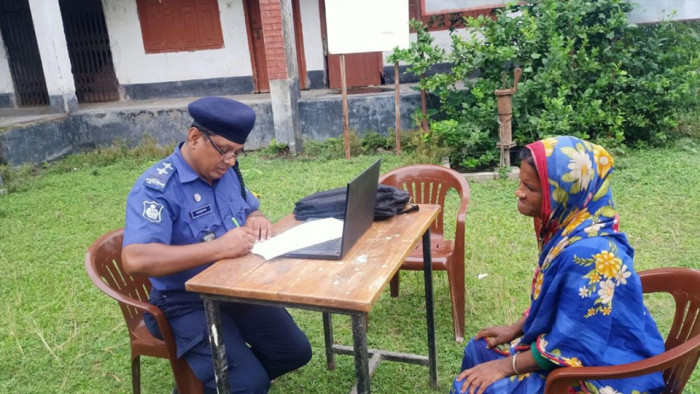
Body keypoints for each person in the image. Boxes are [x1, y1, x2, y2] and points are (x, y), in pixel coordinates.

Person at [122, 96, 312, 393]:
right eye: (224, 150)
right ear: (195, 137)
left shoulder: (225, 173)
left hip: (235, 289)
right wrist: (219, 248)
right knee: (249, 384)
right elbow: (135, 259)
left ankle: (217, 382)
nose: (231, 160)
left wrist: (256, 216)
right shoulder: (157, 187)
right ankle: (227, 383)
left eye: (238, 153)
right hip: (183, 303)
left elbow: (248, 207)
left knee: (295, 351)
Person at [451, 136, 665, 394]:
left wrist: (503, 367)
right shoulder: (572, 228)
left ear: (562, 194)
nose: (518, 192)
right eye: (520, 182)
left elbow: (574, 347)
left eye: (529, 187)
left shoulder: (590, 256)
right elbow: (562, 303)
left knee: (469, 388)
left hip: (605, 371)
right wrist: (515, 329)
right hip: (579, 347)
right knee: (478, 348)